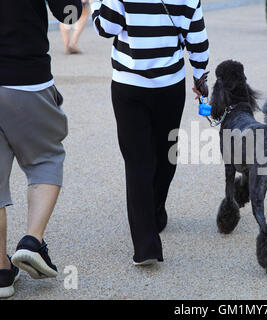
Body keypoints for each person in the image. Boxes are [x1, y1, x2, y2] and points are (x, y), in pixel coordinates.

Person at [90, 0, 210, 266]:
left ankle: (146, 244)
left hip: (129, 83)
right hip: (170, 83)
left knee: (137, 162)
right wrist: (201, 78)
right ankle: (154, 212)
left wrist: (97, 6)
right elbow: (198, 39)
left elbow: (106, 27)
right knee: (167, 151)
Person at [0, 0, 82, 298]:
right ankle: (32, 242)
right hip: (27, 79)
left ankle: (1, 272)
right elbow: (68, 11)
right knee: (46, 159)